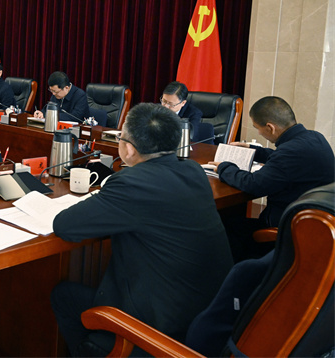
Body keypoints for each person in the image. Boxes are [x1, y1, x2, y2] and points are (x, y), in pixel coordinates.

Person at [50, 103, 233, 357]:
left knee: (64, 296)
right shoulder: (193, 171)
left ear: (128, 148)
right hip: (207, 319)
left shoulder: (131, 183)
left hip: (159, 330)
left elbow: (64, 225)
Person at [207, 96, 334, 260]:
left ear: (270, 127)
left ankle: (235, 271)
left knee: (224, 225)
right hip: (313, 224)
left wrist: (225, 168)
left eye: (257, 128)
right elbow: (283, 159)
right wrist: (254, 150)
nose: (259, 133)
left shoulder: (289, 152)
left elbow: (254, 184)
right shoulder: (314, 137)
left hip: (285, 230)